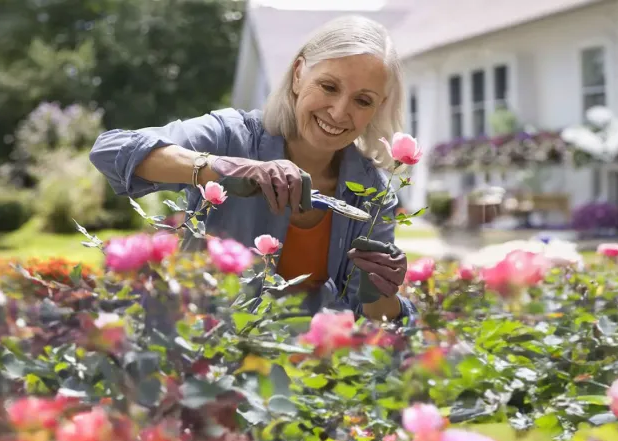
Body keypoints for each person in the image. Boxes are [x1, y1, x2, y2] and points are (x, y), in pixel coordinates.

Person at [89, 15, 417, 324]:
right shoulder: (230, 137)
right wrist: (215, 167)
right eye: (329, 87)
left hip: (306, 366)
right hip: (207, 351)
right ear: (299, 73)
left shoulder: (372, 192)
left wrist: (381, 290)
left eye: (363, 101)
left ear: (378, 107)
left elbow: (378, 318)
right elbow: (110, 150)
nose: (339, 111)